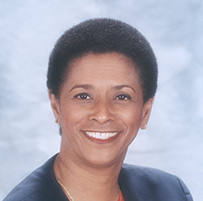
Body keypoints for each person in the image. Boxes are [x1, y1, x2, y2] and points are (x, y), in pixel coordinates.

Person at [3, 18, 193, 201]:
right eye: (83, 96)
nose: (102, 115)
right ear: (56, 106)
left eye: (121, 97)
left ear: (145, 111)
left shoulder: (171, 192)